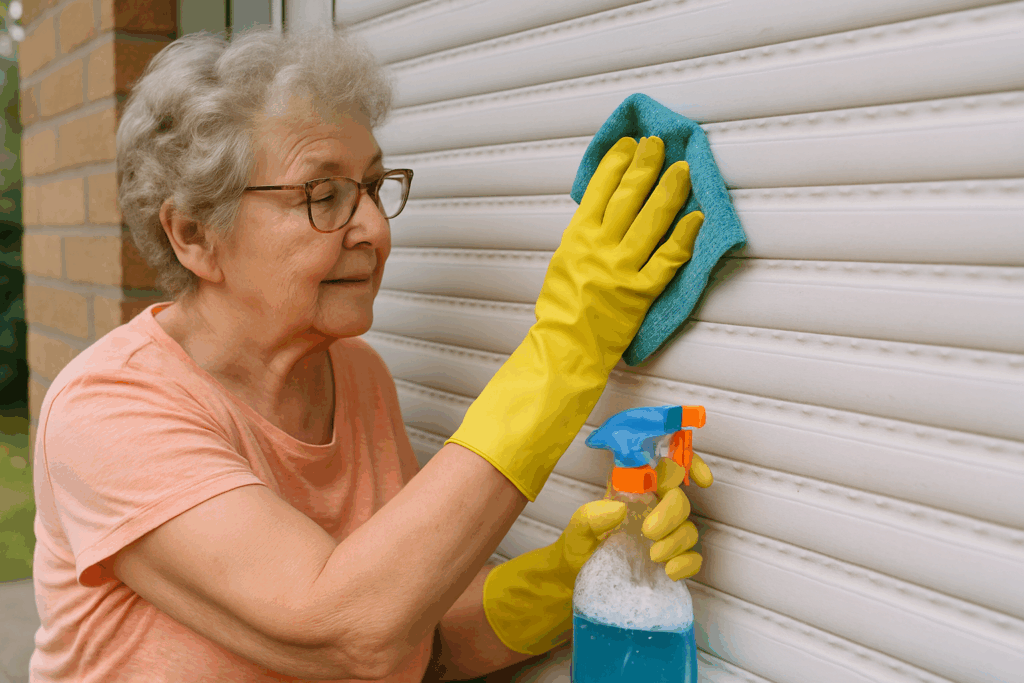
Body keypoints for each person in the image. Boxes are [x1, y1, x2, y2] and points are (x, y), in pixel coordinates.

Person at [29, 25, 711, 683]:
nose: (375, 230)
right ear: (193, 234)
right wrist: (571, 343)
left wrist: (559, 581)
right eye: (323, 195)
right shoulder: (107, 411)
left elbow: (414, 636)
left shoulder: (355, 375)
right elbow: (347, 627)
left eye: (375, 188)